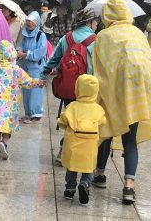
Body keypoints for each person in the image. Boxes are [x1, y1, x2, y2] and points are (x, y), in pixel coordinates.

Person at [91, 0, 151, 204]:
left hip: (116, 88)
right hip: (141, 89)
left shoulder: (103, 36)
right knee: (130, 138)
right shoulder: (138, 34)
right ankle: (129, 187)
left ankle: (100, 174)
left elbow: (99, 69)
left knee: (105, 131)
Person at [42, 8, 100, 164]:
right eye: (95, 21)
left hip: (69, 85)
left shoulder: (66, 38)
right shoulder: (96, 40)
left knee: (71, 118)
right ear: (89, 22)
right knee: (86, 121)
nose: (96, 24)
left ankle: (63, 151)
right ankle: (82, 153)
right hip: (89, 89)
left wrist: (43, 76)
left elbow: (53, 60)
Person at [0, 40, 45, 159]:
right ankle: (4, 142)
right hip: (11, 103)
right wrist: (39, 82)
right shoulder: (16, 70)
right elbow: (28, 82)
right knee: (9, 124)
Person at [57, 74, 106, 205]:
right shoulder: (98, 109)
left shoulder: (72, 106)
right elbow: (103, 121)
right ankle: (85, 183)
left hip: (73, 144)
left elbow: (63, 121)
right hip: (89, 146)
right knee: (88, 167)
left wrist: (61, 122)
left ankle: (70, 188)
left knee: (72, 167)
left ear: (77, 88)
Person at [17, 11, 48, 123]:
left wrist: (26, 54)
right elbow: (20, 46)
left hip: (37, 68)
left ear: (37, 23)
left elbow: (41, 52)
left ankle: (35, 114)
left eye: (32, 21)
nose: (29, 23)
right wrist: (19, 50)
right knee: (26, 89)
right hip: (26, 67)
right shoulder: (25, 34)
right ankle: (28, 113)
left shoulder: (41, 35)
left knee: (35, 91)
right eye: (28, 21)